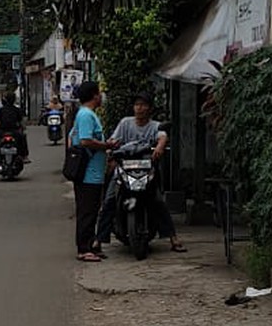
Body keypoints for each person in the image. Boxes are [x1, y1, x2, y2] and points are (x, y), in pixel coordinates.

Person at [94, 89, 186, 252]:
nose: (139, 108)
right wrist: (110, 148)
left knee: (158, 201)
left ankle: (173, 238)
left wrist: (159, 148)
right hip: (124, 169)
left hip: (146, 170)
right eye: (137, 105)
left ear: (149, 108)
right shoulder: (125, 123)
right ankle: (99, 240)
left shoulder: (155, 126)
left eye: (143, 105)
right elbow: (114, 140)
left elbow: (162, 136)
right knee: (109, 200)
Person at [69, 79, 115, 261]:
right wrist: (105, 145)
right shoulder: (86, 115)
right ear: (95, 95)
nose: (101, 96)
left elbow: (72, 137)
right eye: (99, 93)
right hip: (88, 173)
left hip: (92, 173)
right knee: (87, 211)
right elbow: (85, 140)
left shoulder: (84, 114)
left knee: (92, 210)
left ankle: (91, 245)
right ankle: (84, 248)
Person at [0, 91, 30, 161]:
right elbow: (21, 122)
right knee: (23, 138)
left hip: (2, 131)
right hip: (14, 131)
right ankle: (25, 157)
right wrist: (23, 128)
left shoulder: (1, 110)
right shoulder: (17, 110)